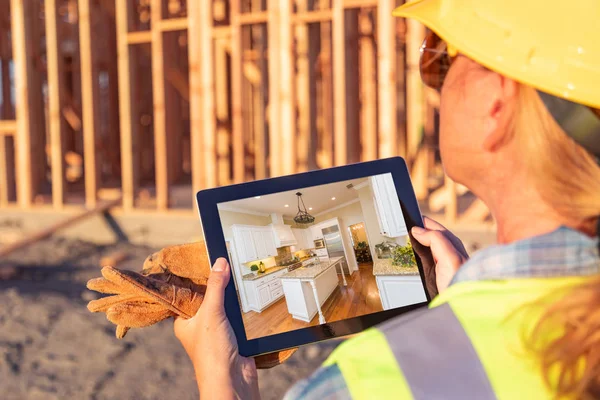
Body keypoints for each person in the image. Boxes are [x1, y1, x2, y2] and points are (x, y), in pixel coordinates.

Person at [174, 0, 600, 398]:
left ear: (496, 103)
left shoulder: (366, 381)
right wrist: (465, 300)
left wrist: (223, 381)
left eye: (443, 57)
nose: (435, 83)